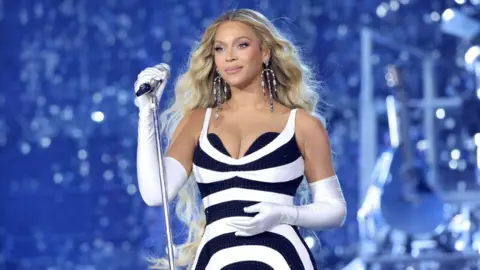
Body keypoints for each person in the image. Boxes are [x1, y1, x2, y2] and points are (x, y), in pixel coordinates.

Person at [134, 8, 347, 270]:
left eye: (242, 45)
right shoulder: (197, 122)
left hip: (282, 259)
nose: (230, 57)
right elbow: (156, 193)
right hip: (215, 259)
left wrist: (284, 214)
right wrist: (147, 110)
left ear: (265, 52)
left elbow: (334, 209)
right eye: (220, 49)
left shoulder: (303, 124)